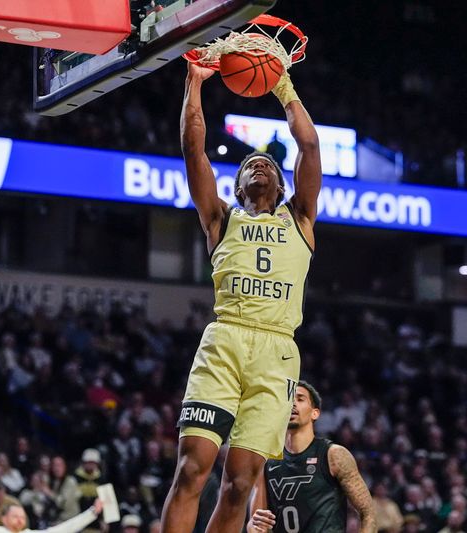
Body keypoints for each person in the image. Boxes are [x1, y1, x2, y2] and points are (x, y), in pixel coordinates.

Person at [160, 57, 321, 533]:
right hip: (226, 340)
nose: (260, 167)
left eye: (268, 164)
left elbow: (308, 145)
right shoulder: (221, 218)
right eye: (251, 164)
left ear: (281, 182)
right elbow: (194, 150)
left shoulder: (301, 219)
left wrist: (283, 86)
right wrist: (194, 81)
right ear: (238, 184)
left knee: (241, 484)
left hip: (277, 349)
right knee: (192, 469)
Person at [247, 381, 375, 533]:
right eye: (287, 399)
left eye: (300, 399)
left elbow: (368, 513)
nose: (292, 403)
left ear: (315, 413)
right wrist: (254, 527)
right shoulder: (266, 460)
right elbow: (255, 523)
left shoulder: (334, 455)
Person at [0, 472, 103, 533]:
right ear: (4, 519)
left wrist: (92, 512)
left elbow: (65, 529)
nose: (19, 520)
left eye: (22, 516)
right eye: (15, 516)